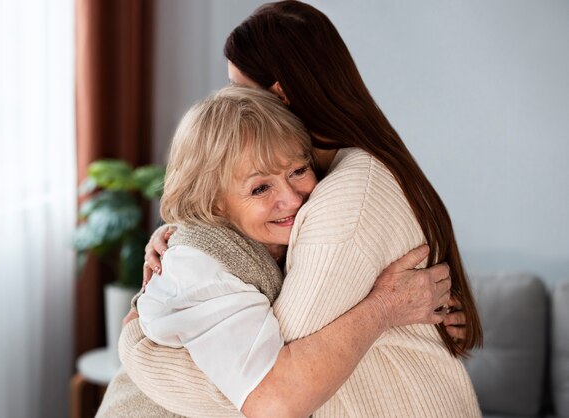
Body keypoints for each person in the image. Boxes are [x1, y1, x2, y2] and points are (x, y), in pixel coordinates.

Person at [121, 1, 484, 416]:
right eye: (261, 187)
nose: (290, 197)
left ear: (279, 96)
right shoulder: (355, 169)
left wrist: (134, 342)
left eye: (240, 88)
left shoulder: (344, 201)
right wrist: (184, 239)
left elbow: (275, 393)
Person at [97, 86, 452, 418]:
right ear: (214, 204)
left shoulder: (264, 240)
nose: (293, 199)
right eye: (260, 188)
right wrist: (384, 308)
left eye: (298, 170)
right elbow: (274, 404)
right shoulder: (200, 270)